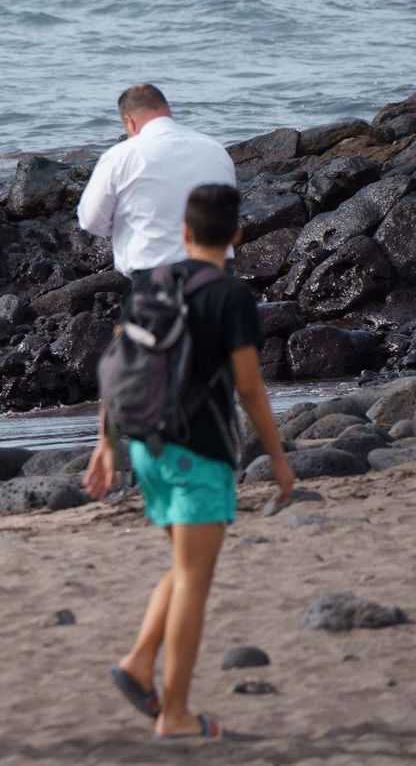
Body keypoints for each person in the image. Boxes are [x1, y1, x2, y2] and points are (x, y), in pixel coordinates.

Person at [84, 184, 295, 740]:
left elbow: (117, 362)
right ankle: (175, 715)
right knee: (196, 582)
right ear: (236, 236)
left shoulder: (151, 282)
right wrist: (278, 458)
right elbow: (248, 387)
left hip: (144, 447)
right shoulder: (231, 296)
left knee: (183, 569)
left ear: (183, 232)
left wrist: (104, 445)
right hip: (196, 452)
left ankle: (137, 663)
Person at [78, 84, 236, 275]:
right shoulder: (215, 149)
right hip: (217, 272)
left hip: (157, 273)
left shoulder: (121, 156)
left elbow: (91, 220)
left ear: (129, 121)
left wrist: (123, 222)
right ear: (167, 111)